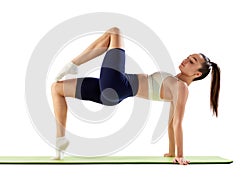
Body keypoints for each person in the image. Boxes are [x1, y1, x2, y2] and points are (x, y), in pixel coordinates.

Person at [51, 27, 221, 165]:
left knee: (114, 32)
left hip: (117, 85)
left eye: (192, 62)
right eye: (188, 57)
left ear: (197, 74)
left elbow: (177, 123)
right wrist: (171, 151)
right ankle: (60, 144)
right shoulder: (177, 84)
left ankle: (73, 64)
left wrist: (180, 155)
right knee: (57, 88)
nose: (186, 60)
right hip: (111, 92)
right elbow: (170, 124)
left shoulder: (181, 88)